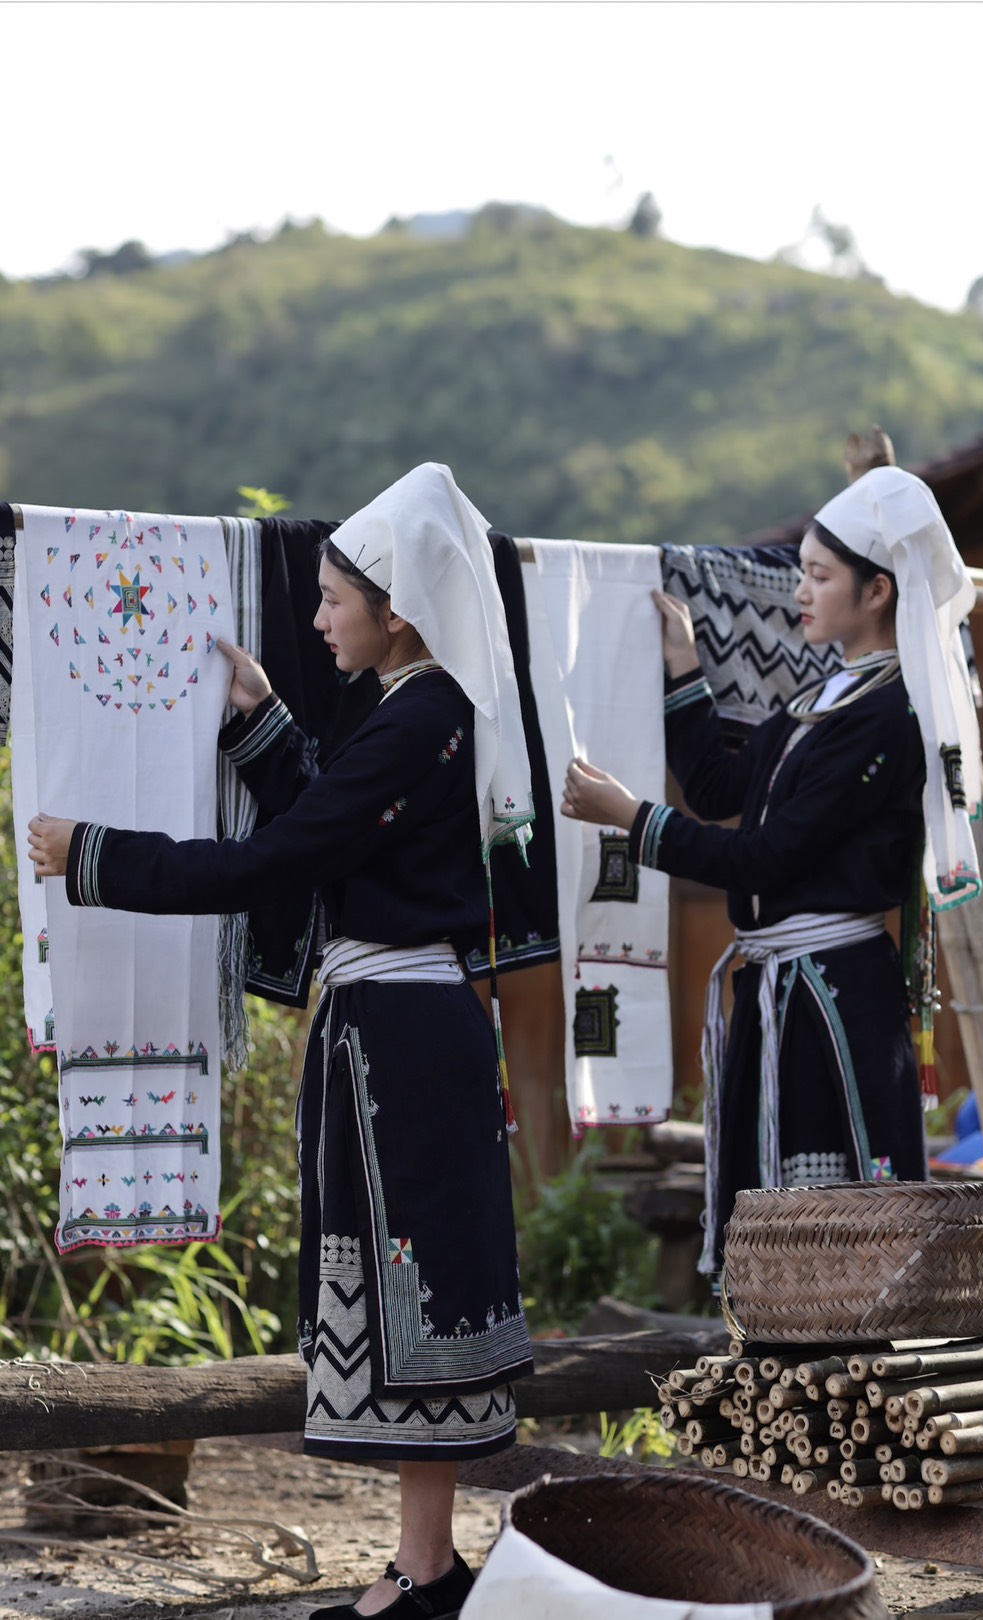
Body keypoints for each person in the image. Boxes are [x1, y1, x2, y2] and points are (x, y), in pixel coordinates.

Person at [29, 462, 536, 1620]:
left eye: (329, 602)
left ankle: (423, 1571)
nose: (315, 620)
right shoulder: (422, 712)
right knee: (420, 1294)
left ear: (393, 609)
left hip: (400, 1046)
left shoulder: (424, 722)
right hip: (406, 1034)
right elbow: (337, 823)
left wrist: (95, 854)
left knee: (419, 1295)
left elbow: (278, 860)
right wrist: (262, 719)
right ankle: (425, 1566)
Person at [561, 466, 981, 1274]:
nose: (802, 590)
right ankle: (787, 1358)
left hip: (834, 994)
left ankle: (840, 1365)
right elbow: (722, 791)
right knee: (776, 1208)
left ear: (879, 593)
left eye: (821, 576)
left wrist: (633, 819)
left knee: (832, 1214)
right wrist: (684, 669)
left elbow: (766, 855)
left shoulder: (887, 717)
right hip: (780, 987)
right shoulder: (819, 699)